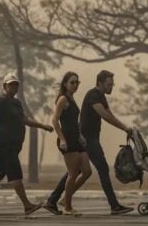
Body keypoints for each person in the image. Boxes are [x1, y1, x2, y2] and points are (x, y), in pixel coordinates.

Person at [44, 70, 134, 215]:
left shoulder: (99, 96)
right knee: (101, 169)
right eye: (109, 84)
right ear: (100, 83)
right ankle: (114, 206)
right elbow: (105, 116)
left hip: (83, 138)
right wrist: (124, 128)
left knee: (78, 171)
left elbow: (109, 113)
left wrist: (126, 128)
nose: (111, 87)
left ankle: (55, 199)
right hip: (87, 138)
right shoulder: (93, 95)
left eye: (112, 84)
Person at [0, 72, 54, 215]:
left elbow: (25, 120)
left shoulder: (16, 103)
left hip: (13, 146)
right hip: (4, 145)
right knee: (16, 174)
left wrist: (43, 126)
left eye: (16, 84)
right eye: (11, 84)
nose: (14, 87)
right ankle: (27, 205)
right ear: (5, 86)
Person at [44, 72, 92, 216]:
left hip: (76, 139)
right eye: (72, 82)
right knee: (72, 173)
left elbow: (73, 121)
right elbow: (55, 120)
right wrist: (62, 139)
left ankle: (65, 199)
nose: (75, 85)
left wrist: (81, 136)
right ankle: (68, 207)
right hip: (67, 139)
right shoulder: (63, 99)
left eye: (77, 82)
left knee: (87, 171)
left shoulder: (72, 98)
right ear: (65, 84)